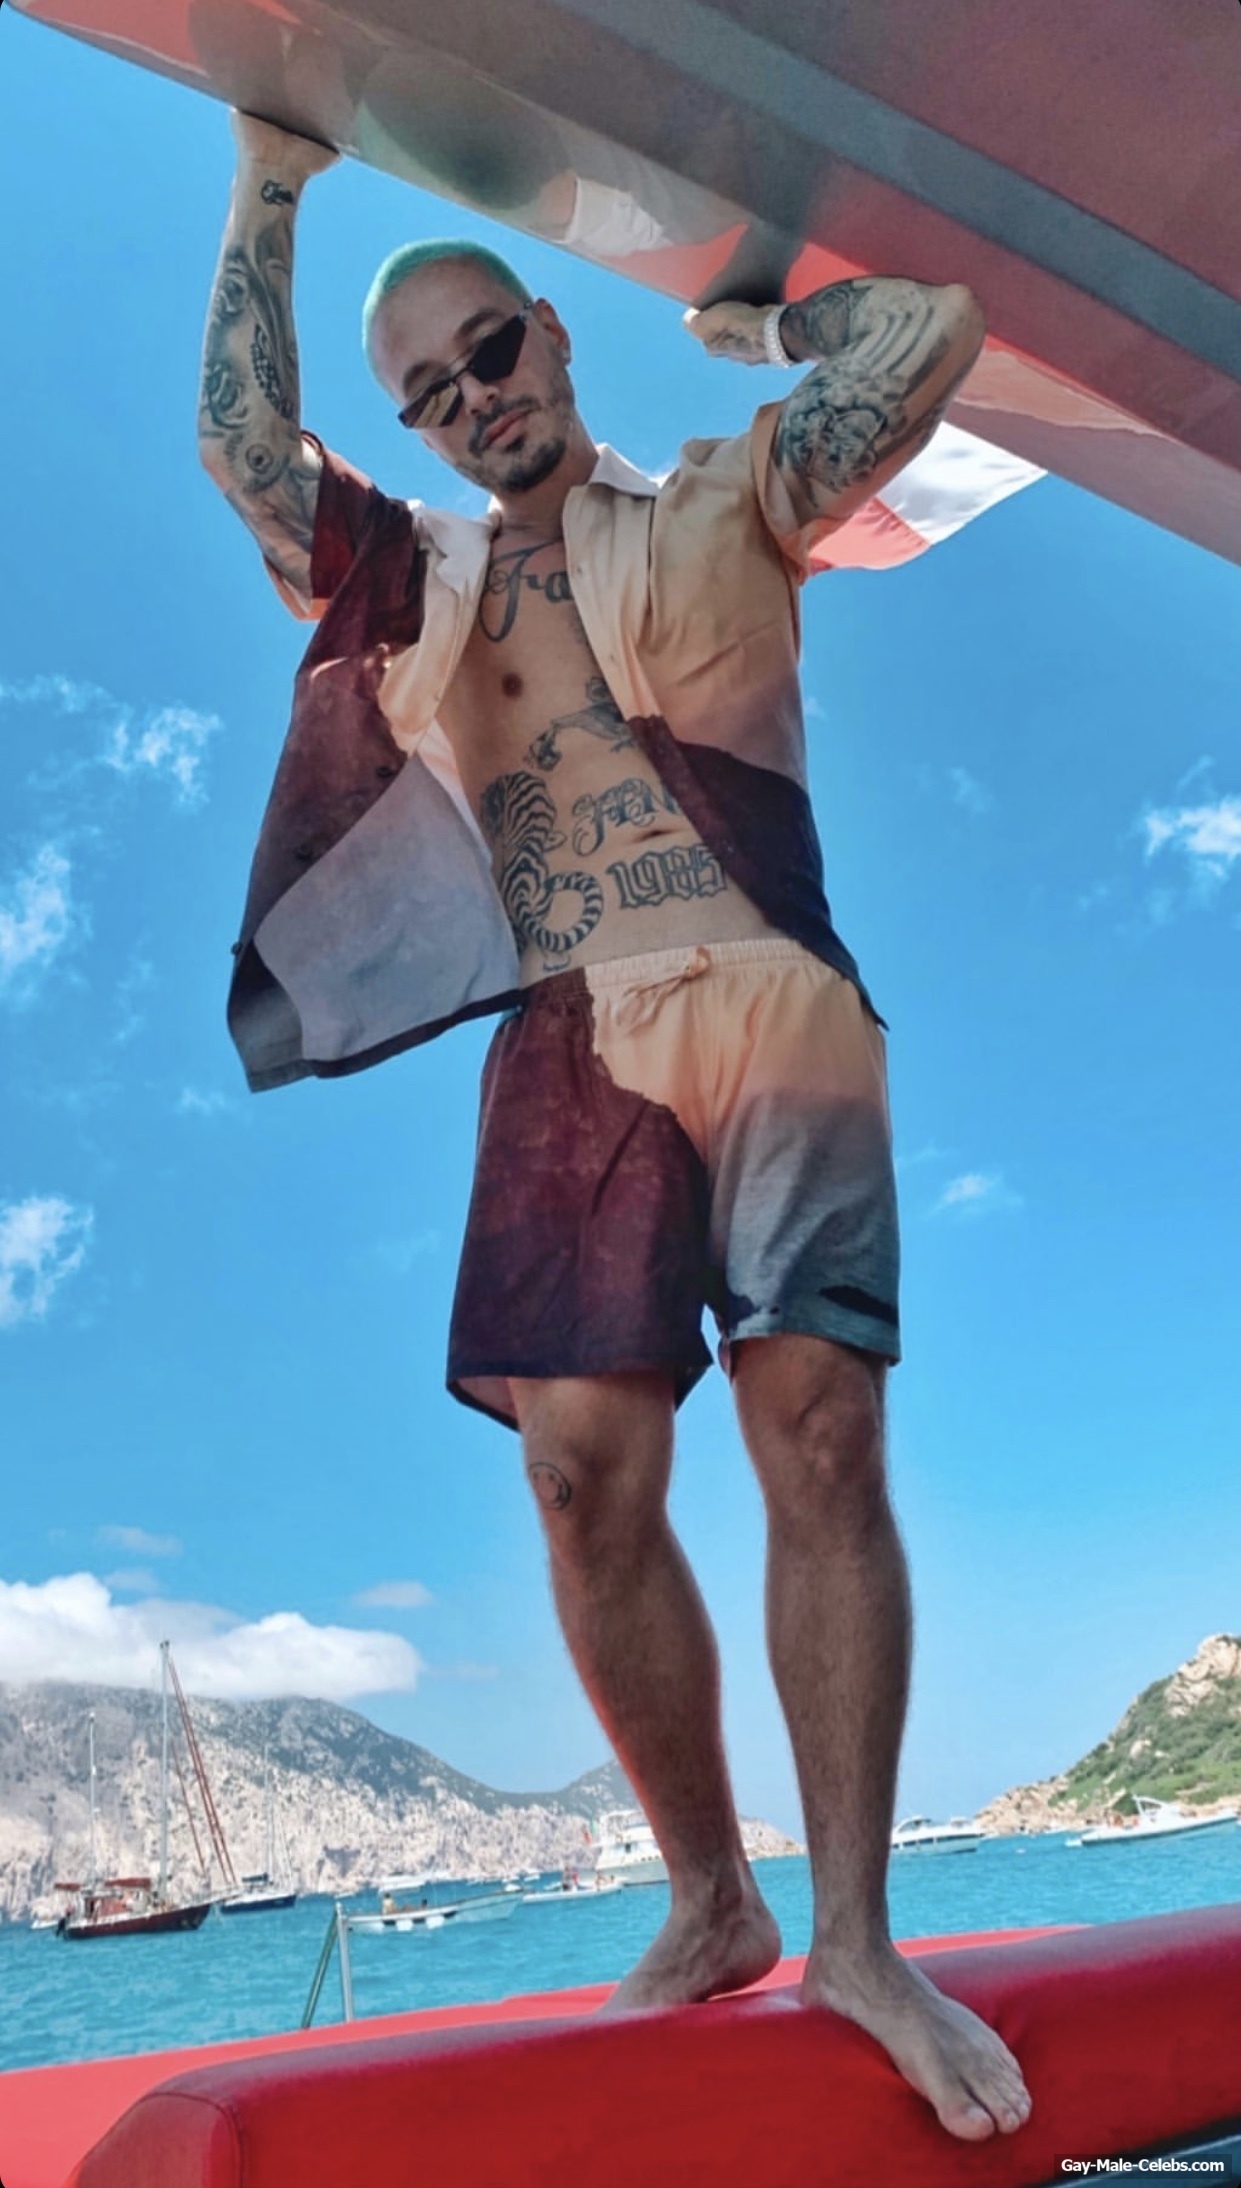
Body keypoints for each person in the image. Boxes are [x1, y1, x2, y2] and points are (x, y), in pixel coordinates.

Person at [198, 111, 1032, 2144]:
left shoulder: (737, 497)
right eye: (427, 393)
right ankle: (709, 1892)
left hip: (767, 994)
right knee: (579, 1475)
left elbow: (930, 331)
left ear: (553, 333)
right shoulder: (409, 577)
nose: (469, 402)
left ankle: (856, 1936)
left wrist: (758, 328)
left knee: (816, 1432)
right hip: (570, 1034)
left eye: (488, 351)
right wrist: (269, 178)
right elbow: (240, 446)